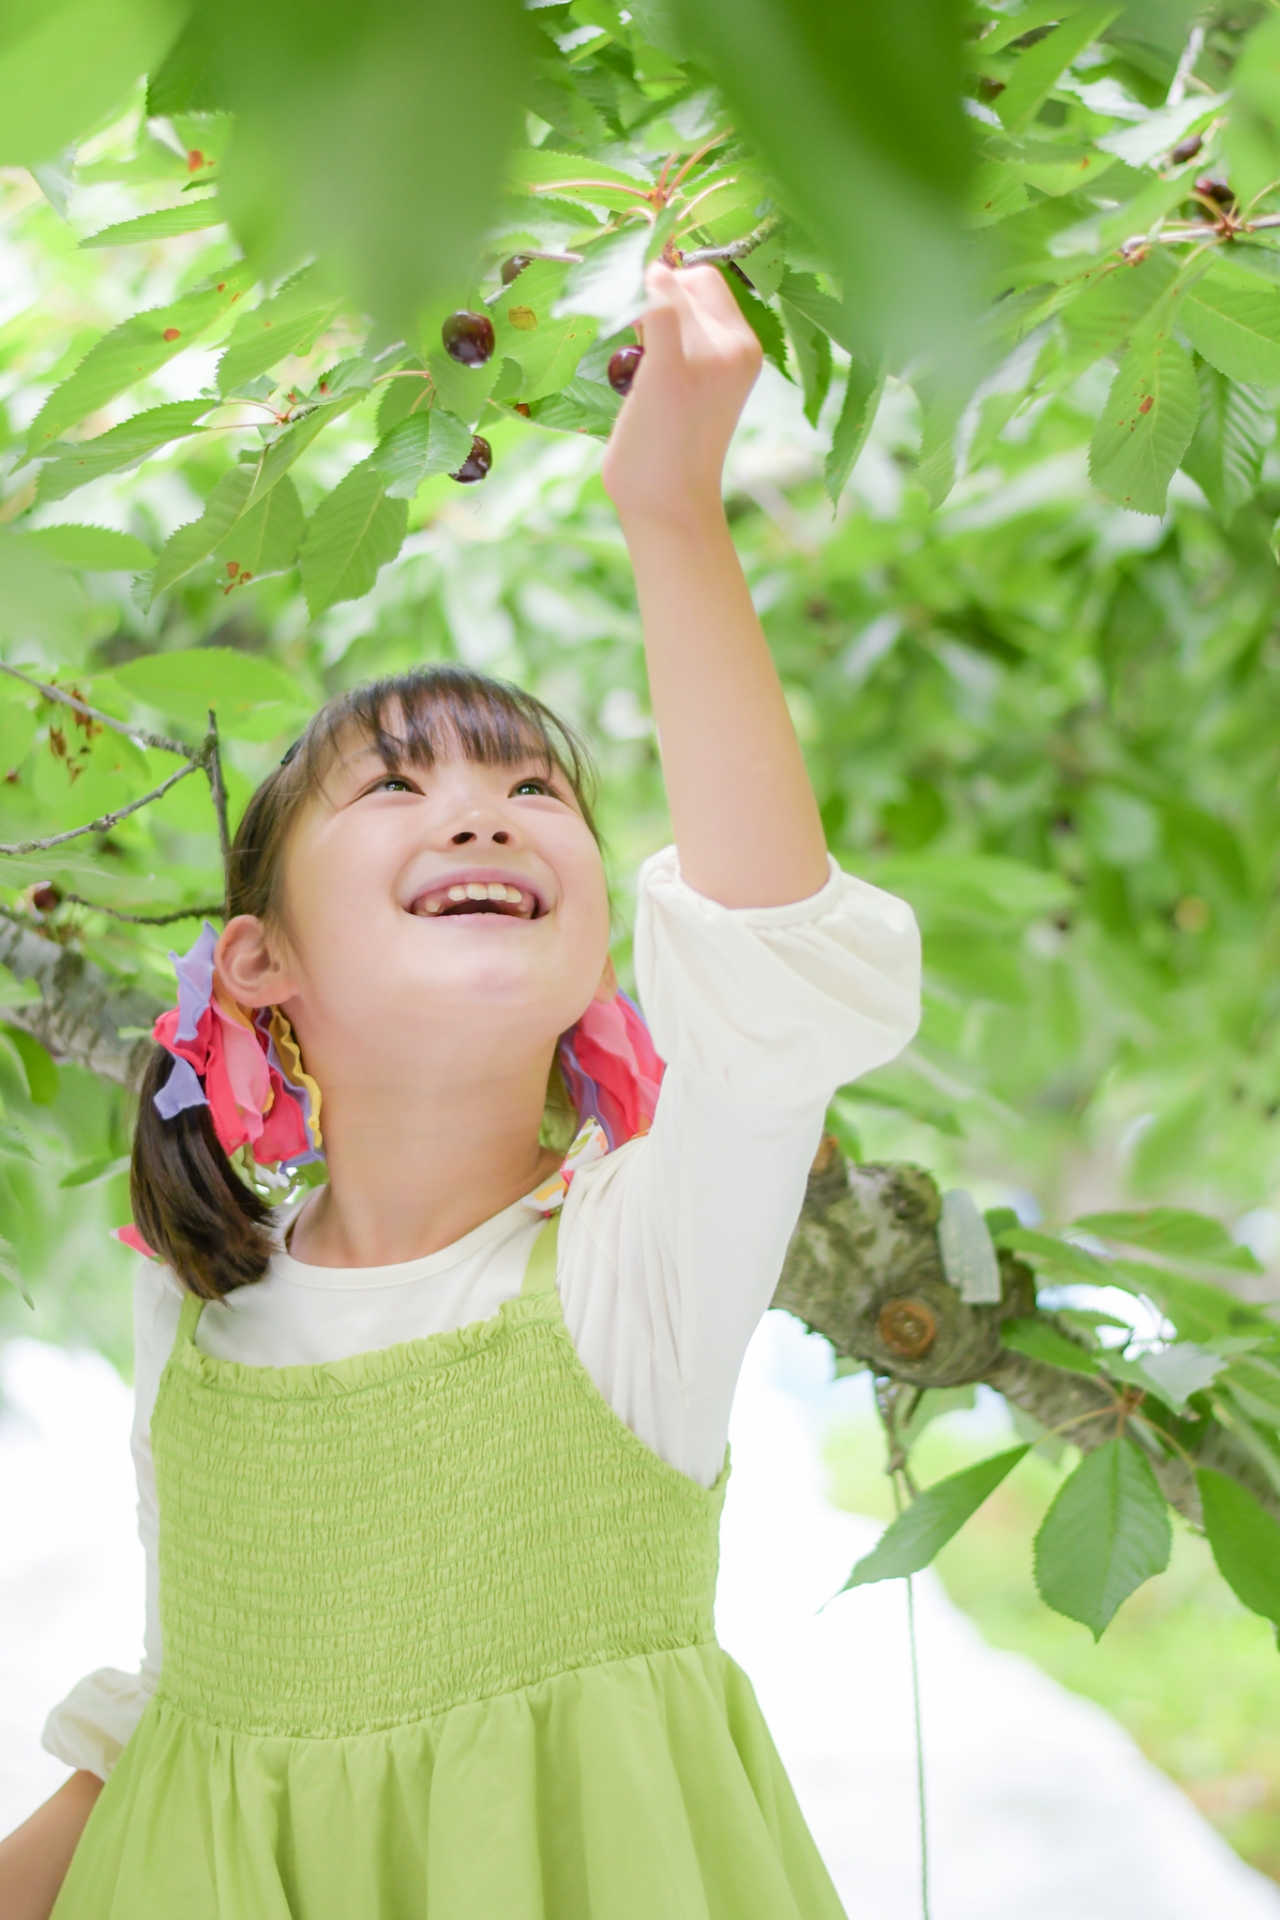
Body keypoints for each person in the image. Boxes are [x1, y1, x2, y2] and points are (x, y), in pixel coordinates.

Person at [0, 262, 920, 1919]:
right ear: (259, 963)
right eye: (396, 787)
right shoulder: (197, 1314)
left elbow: (771, 948)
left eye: (534, 788)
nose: (484, 812)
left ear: (602, 938)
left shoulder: (640, 1264)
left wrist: (671, 512)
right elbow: (176, 1709)